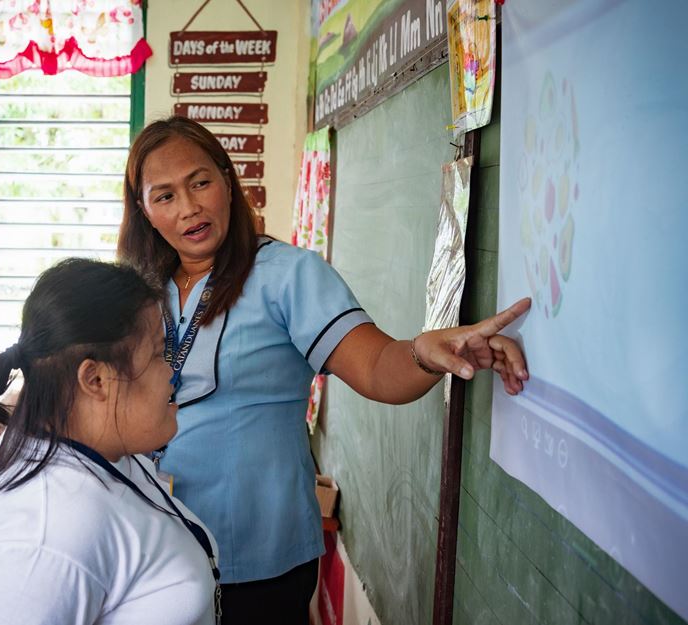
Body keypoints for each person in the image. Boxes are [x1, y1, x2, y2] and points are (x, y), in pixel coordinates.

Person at [116, 116, 531, 624]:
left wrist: (423, 351)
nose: (189, 207)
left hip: (259, 559)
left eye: (200, 182)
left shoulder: (288, 275)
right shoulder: (136, 292)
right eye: (165, 196)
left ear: (227, 179)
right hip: (157, 546)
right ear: (143, 210)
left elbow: (377, 366)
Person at [0, 258, 221, 625]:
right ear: (95, 379)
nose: (174, 372)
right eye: (159, 353)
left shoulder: (111, 458)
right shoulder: (47, 539)